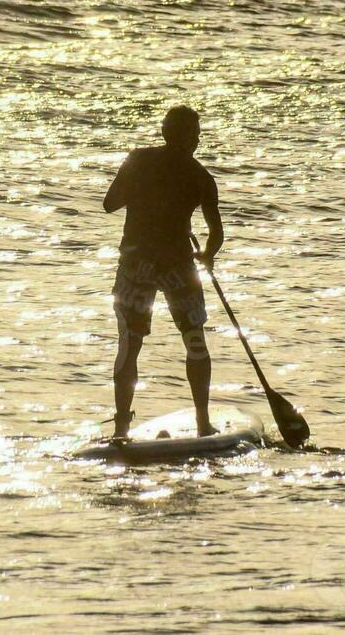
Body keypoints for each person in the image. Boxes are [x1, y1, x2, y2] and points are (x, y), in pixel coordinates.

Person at [103, 105, 224, 439]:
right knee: (195, 341)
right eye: (197, 135)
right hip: (178, 266)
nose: (198, 141)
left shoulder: (138, 160)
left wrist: (142, 193)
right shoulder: (200, 177)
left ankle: (121, 428)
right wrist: (207, 255)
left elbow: (109, 203)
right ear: (189, 138)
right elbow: (216, 232)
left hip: (135, 264)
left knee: (130, 342)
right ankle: (202, 423)